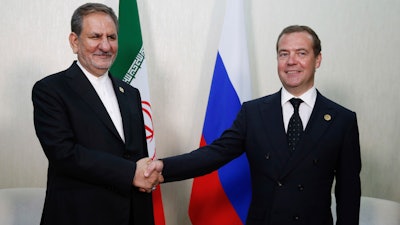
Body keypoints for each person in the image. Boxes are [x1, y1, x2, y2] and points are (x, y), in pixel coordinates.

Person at [143, 25, 362, 225]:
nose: (291, 61)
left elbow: (348, 192)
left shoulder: (342, 120)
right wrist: (164, 167)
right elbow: (214, 154)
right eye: (283, 54)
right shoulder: (254, 112)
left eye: (301, 53)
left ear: (318, 59)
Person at [32, 3, 162, 225]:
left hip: (131, 214)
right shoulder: (51, 89)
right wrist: (131, 172)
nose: (105, 46)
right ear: (75, 41)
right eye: (95, 37)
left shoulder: (130, 93)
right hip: (79, 215)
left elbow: (137, 156)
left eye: (112, 37)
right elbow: (64, 154)